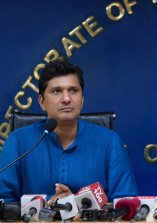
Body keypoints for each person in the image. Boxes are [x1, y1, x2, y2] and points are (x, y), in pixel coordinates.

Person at [0, 58, 137, 204]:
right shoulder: (18, 141)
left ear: (82, 100)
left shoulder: (110, 142)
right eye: (56, 91)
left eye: (73, 90)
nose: (66, 98)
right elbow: (3, 200)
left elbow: (125, 205)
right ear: (41, 102)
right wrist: (46, 208)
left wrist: (79, 206)